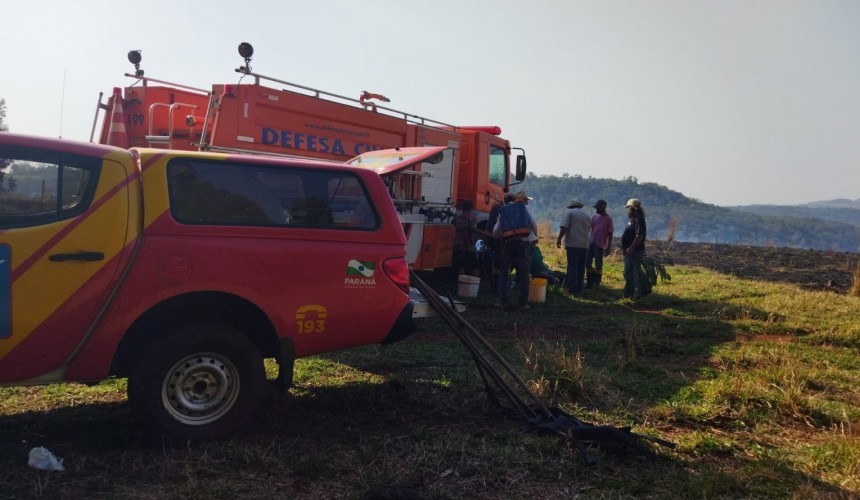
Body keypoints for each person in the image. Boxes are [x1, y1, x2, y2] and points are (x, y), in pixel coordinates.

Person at [493, 191, 538, 310]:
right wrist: (532, 236)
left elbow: (495, 231)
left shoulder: (504, 211)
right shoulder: (524, 209)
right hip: (524, 244)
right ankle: (523, 303)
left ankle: (503, 301)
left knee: (504, 271)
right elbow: (534, 225)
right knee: (524, 273)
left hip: (509, 244)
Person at [556, 199, 590, 294]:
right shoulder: (586, 215)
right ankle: (580, 287)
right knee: (581, 267)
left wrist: (559, 239)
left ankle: (572, 287)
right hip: (584, 245)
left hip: (573, 244)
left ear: (571, 206)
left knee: (572, 266)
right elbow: (589, 229)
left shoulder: (569, 212)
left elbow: (564, 227)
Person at [621, 198, 647, 298]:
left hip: (635, 251)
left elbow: (639, 235)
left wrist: (631, 248)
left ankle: (633, 294)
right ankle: (630, 293)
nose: (628, 210)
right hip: (631, 251)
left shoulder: (639, 219)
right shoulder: (634, 219)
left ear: (632, 208)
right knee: (630, 273)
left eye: (629, 207)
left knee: (632, 274)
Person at [585, 199, 614, 289]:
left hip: (600, 244)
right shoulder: (594, 217)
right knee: (588, 262)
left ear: (603, 208)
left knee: (598, 264)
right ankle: (590, 281)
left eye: (597, 208)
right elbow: (591, 229)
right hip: (591, 242)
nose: (596, 210)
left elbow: (610, 233)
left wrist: (608, 247)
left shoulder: (608, 219)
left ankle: (596, 283)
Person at [452, 200, 480, 277]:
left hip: (458, 245)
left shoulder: (456, 218)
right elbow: (474, 230)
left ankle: (462, 283)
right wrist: (488, 234)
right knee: (474, 266)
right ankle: (475, 283)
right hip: (469, 246)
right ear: (470, 209)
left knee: (461, 266)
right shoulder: (471, 219)